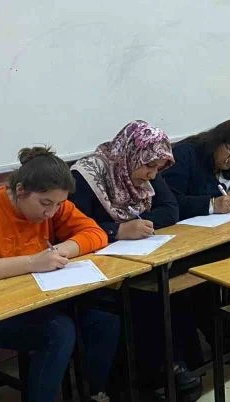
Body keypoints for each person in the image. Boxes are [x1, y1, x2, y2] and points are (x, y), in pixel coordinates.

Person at [0, 147, 116, 402]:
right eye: (45, 204)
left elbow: (96, 233)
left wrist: (58, 251)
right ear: (20, 191)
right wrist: (33, 262)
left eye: (58, 205)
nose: (51, 213)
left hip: (38, 298)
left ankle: (95, 394)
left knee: (105, 317)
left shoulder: (54, 203)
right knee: (58, 332)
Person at [69, 121, 202, 399]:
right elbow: (75, 226)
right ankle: (134, 383)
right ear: (131, 155)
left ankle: (167, 368)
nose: (152, 176)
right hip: (98, 266)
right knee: (141, 300)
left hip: (140, 259)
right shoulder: (88, 175)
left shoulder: (147, 166)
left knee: (173, 287)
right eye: (149, 168)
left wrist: (142, 224)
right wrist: (116, 230)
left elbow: (170, 209)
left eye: (157, 169)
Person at [162, 119, 230, 357]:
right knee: (208, 274)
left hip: (220, 234)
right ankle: (217, 335)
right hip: (185, 241)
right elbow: (170, 203)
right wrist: (211, 205)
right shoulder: (187, 155)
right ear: (218, 141)